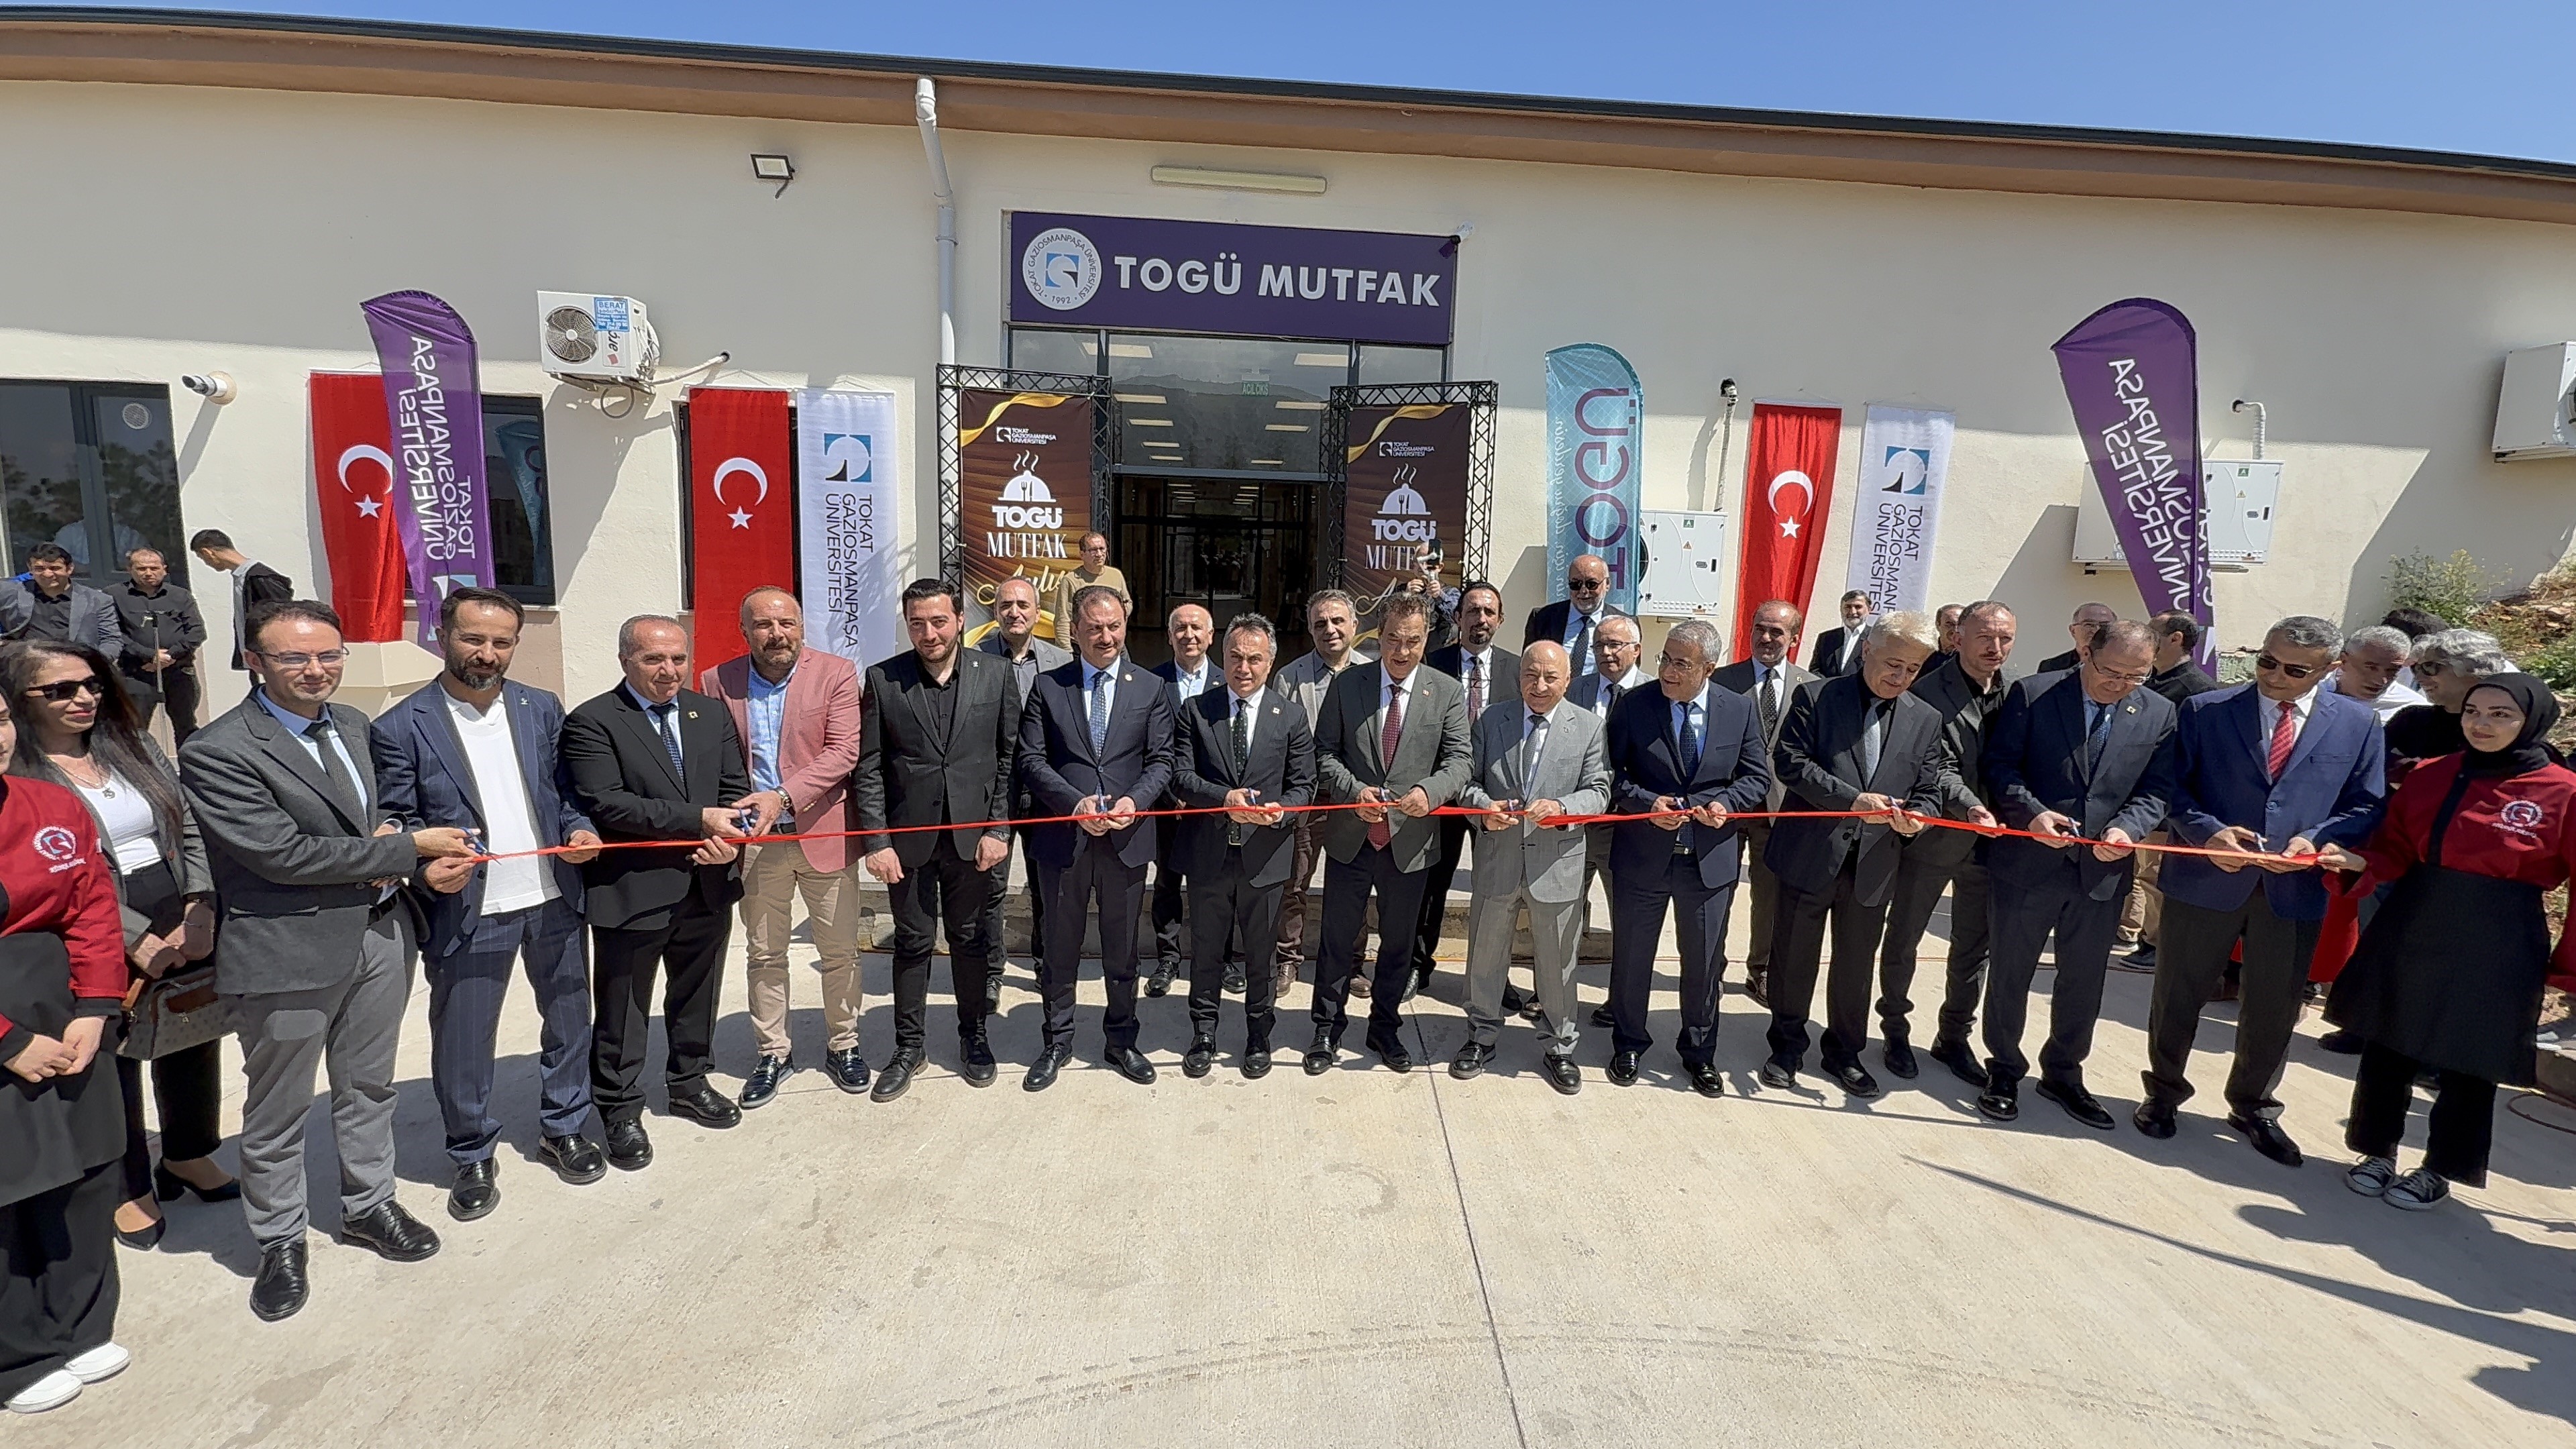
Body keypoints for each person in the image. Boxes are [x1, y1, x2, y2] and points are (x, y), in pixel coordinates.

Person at [178, 599, 475, 1321]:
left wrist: (401, 845)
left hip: (379, 935)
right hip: (288, 951)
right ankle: (280, 1240)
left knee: (368, 1086)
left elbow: (373, 819)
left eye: (329, 655)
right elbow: (282, 855)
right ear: (255, 662)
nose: (316, 670)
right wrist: (409, 849)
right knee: (278, 1109)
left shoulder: (352, 724)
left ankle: (369, 1204)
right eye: (294, 658)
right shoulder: (218, 750)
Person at [371, 588, 606, 1220]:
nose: (488, 653)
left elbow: (565, 792)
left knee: (569, 1022)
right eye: (473, 638)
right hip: (470, 908)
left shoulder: (540, 708)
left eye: (502, 642)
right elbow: (397, 819)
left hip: (554, 895)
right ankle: (471, 1151)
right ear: (441, 635)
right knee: (465, 1040)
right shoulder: (401, 725)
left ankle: (565, 1126)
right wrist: (424, 869)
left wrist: (580, 829)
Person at [1, 642, 230, 1255]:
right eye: (60, 690)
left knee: (192, 1032)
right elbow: (72, 881)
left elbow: (186, 821)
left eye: (92, 685)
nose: (84, 699)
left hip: (175, 902)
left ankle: (188, 1152)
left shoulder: (133, 743)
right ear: (19, 700)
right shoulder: (18, 773)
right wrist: (134, 939)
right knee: (112, 1057)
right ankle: (128, 1185)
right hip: (93, 923)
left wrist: (201, 902)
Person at [2320, 674, 2576, 1211]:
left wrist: (2568, 966)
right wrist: (2359, 862)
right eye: (2474, 711)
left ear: (2531, 720)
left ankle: (2440, 1168)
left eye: (2501, 715)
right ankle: (2377, 1151)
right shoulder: (2432, 775)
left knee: (2470, 1055)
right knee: (2390, 1038)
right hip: (2416, 917)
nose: (2482, 724)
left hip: (2501, 935)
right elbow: (2393, 847)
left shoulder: (2563, 791)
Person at [2139, 616, 2385, 1165]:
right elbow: (2172, 787)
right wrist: (2209, 833)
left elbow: (2366, 804)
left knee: (2276, 1006)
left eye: (2295, 670)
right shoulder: (2206, 710)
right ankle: (2163, 1092)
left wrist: (2316, 840)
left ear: (2329, 669)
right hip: (2206, 880)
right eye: (2267, 661)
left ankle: (2254, 1104)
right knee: (2179, 994)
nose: (2275, 676)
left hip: (2294, 888)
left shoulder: (2359, 724)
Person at [561, 616, 754, 1173]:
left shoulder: (708, 713)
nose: (669, 671)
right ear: (626, 660)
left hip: (708, 882)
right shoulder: (593, 721)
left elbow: (734, 790)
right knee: (624, 1008)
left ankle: (690, 1082)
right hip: (634, 890)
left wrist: (729, 841)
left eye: (678, 659)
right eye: (654, 660)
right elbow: (608, 803)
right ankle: (620, 1107)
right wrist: (701, 821)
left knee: (697, 993)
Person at [1977, 619, 2178, 1130]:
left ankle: (2064, 1072)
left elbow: (2158, 789)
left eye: (2137, 676)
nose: (2121, 685)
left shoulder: (2158, 712)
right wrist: (2032, 814)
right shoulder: (2035, 694)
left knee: (2084, 981)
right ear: (2087, 653)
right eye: (2112, 672)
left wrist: (2129, 828)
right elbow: (2000, 766)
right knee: (2011, 973)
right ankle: (2004, 1069)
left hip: (2102, 871)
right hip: (2029, 864)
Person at [0, 692, 131, 1415]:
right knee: (11, 1183)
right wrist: (9, 1041)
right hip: (7, 1026)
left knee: (85, 1167)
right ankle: (16, 1353)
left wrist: (96, 1006)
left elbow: (92, 906)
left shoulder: (48, 803)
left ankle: (81, 1323)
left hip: (66, 1005)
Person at [1760, 612, 1947, 1097]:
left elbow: (1930, 787)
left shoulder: (1926, 719)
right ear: (1867, 651)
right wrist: (1851, 800)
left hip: (1874, 863)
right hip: (1810, 854)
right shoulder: (1817, 697)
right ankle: (1786, 1046)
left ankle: (1844, 1052)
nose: (1900, 677)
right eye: (1892, 664)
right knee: (1794, 957)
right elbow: (1790, 762)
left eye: (1912, 669)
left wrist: (1920, 817)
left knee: (1856, 965)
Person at [700, 587, 867, 1105]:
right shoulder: (716, 681)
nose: (777, 634)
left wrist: (783, 796)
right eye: (764, 624)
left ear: (802, 627)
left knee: (839, 952)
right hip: (756, 843)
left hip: (823, 832)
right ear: (744, 631)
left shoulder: (836, 673)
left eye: (787, 623)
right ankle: (773, 1053)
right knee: (765, 953)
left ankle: (844, 1045)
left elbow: (844, 751)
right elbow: (715, 760)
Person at [856, 580, 1018, 1097]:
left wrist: (999, 828)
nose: (929, 633)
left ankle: (974, 1037)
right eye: (918, 624)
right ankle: (909, 1048)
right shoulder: (883, 680)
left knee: (971, 940)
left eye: (939, 621)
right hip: (909, 842)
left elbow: (1010, 758)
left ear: (960, 621)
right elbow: (869, 766)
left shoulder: (996, 674)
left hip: (974, 840)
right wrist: (877, 841)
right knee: (913, 942)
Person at [1602, 619, 1773, 1095]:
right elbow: (1610, 774)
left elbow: (1757, 776)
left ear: (1708, 669)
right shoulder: (1635, 704)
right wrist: (1645, 803)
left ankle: (1699, 1052)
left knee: (1703, 961)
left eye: (1681, 664)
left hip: (1709, 860)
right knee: (1633, 958)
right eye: (1665, 660)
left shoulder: (1739, 709)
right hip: (1643, 857)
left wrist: (1728, 804)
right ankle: (1628, 1043)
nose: (1668, 672)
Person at [1308, 591, 1470, 1073]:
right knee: (1338, 940)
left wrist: (1430, 792)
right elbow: (1324, 753)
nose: (1402, 651)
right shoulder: (1349, 685)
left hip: (1411, 842)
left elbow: (1460, 760)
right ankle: (1326, 1027)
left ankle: (1384, 1027)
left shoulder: (1446, 691)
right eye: (1394, 639)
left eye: (1413, 641)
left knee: (1399, 944)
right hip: (1352, 840)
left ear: (1427, 639)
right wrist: (1353, 790)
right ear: (1379, 636)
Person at [1020, 583, 1173, 1089]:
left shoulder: (1150, 688)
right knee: (1060, 947)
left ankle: (1121, 1040)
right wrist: (1073, 804)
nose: (1106, 637)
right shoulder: (1048, 687)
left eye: (1114, 627)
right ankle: (1057, 1041)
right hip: (1065, 841)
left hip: (1126, 841)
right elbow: (1031, 760)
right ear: (1076, 633)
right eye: (1094, 628)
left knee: (1122, 949)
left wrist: (1136, 802)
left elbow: (1162, 760)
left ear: (1125, 625)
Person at [1450, 641, 1608, 1094]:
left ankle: (1560, 1046)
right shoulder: (1492, 719)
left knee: (1557, 963)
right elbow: (1467, 782)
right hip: (1498, 858)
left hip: (1555, 865)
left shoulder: (1589, 727)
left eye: (1550, 677)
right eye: (1530, 675)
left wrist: (1563, 807)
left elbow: (1599, 791)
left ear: (1568, 679)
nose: (1539, 686)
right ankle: (1481, 1035)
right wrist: (1483, 808)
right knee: (1485, 956)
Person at [1166, 612, 1314, 1078]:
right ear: (1223, 656)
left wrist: (1280, 811)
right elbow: (1180, 776)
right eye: (1235, 657)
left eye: (1254, 659)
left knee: (1261, 953)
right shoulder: (1196, 710)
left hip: (1265, 857)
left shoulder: (1290, 716)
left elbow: (1305, 786)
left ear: (1270, 662)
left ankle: (1258, 1034)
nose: (1243, 668)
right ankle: (1203, 1032)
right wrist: (1223, 799)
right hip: (1209, 854)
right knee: (1207, 950)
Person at [1876, 600, 2015, 1084]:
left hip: (1992, 845)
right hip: (1935, 837)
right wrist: (1971, 807)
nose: (1996, 648)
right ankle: (1895, 1029)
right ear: (1958, 639)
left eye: (2005, 639)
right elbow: (1936, 767)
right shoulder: (1927, 692)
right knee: (1905, 938)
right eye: (1985, 637)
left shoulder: (2016, 693)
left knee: (1973, 948)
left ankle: (1954, 1036)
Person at [1413, 581, 1518, 1000]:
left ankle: (1494, 978)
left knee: (1496, 891)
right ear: (1457, 617)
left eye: (1489, 612)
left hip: (1495, 798)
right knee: (1432, 883)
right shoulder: (1432, 664)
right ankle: (1418, 966)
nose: (1481, 619)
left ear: (1501, 619)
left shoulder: (1516, 670)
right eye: (1473, 610)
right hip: (1443, 794)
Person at [1709, 599, 1814, 1010]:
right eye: (1760, 628)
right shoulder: (1722, 680)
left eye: (1777, 631)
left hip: (1781, 810)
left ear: (1794, 639)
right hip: (1728, 806)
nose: (1766, 638)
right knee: (1717, 890)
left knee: (1770, 896)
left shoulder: (1812, 686)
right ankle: (1711, 968)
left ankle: (1762, 969)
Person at [1271, 589, 1372, 999]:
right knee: (1295, 882)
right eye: (1319, 623)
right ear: (1310, 629)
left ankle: (1352, 962)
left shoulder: (1373, 673)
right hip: (1307, 799)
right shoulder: (1290, 677)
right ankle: (1287, 958)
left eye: (1337, 621)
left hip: (1355, 800)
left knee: (1352, 886)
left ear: (1354, 625)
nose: (1329, 629)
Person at [975, 575, 1072, 988]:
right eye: (1006, 605)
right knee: (991, 886)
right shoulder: (974, 659)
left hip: (1045, 789)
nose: (1014, 613)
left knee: (1046, 885)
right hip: (993, 791)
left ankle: (1046, 965)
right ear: (995, 611)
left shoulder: (1060, 662)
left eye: (1023, 605)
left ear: (1037, 612)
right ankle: (990, 973)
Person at [2114, 611, 2223, 970]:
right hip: (2136, 796)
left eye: (2153, 633)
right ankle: (2136, 932)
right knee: (2140, 874)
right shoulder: (2149, 681)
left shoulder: (2199, 690)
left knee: (2155, 875)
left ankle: (2158, 944)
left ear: (2176, 639)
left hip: (2168, 803)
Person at [1148, 602, 1224, 998]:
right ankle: (1168, 957)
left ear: (1211, 636)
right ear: (1169, 636)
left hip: (1212, 806)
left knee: (1215, 885)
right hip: (1165, 805)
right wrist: (1171, 795)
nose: (1189, 635)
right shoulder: (1150, 682)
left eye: (1197, 628)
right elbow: (1148, 748)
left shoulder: (1229, 682)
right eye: (1180, 628)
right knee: (1166, 882)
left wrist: (1202, 796)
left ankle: (1220, 958)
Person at [109, 549, 205, 743]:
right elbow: (114, 633)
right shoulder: (114, 595)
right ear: (130, 570)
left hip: (178, 671)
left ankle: (189, 762)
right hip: (137, 672)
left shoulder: (181, 596)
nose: (148, 573)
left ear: (164, 569)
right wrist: (149, 655)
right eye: (141, 569)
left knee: (186, 725)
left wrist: (169, 656)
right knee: (134, 728)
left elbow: (197, 633)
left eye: (154, 568)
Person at [2385, 629, 2510, 773]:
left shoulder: (2504, 726)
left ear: (2471, 669)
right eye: (2416, 669)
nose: (2419, 678)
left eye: (2429, 667)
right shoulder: (2411, 720)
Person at [186, 530, 292, 672]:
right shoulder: (242, 577)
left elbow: (282, 619)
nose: (206, 563)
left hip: (270, 659)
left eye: (202, 558)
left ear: (208, 553)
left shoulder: (261, 578)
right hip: (256, 659)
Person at [0, 545, 120, 659]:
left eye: (55, 568)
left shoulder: (97, 601)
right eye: (39, 569)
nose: (47, 574)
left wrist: (95, 664)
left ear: (69, 569)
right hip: (27, 662)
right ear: (30, 569)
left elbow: (111, 640)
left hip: (74, 664)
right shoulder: (12, 592)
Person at [1521, 553, 1629, 678]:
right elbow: (1528, 667)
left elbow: (1627, 674)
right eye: (1576, 585)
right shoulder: (1542, 618)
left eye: (1591, 584)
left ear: (1607, 584)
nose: (1583, 591)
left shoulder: (1625, 625)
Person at [2322, 625, 2428, 722]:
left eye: (2392, 670)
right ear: (2344, 661)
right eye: (2371, 668)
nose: (2381, 681)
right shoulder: (2316, 687)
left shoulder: (2413, 710)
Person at [1049, 532, 1130, 641]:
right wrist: (1065, 649)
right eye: (1093, 550)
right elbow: (1063, 619)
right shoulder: (1070, 581)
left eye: (1102, 549)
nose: (1099, 554)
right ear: (1082, 555)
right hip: (1083, 644)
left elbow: (1127, 603)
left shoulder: (1116, 575)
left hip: (1112, 641)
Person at [2033, 600, 2119, 674]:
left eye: (2105, 625)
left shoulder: (2125, 664)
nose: (2097, 630)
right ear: (2073, 631)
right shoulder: (2052, 668)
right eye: (2089, 624)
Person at [1806, 590, 1872, 678]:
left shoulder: (1874, 638)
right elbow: (1815, 670)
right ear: (1841, 610)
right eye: (1847, 607)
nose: (1852, 612)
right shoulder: (1826, 638)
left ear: (1869, 610)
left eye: (1858, 607)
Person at [1929, 604, 1965, 670]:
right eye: (1949, 624)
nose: (1955, 630)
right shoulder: (1926, 652)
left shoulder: (1971, 657)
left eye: (1961, 625)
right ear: (1938, 625)